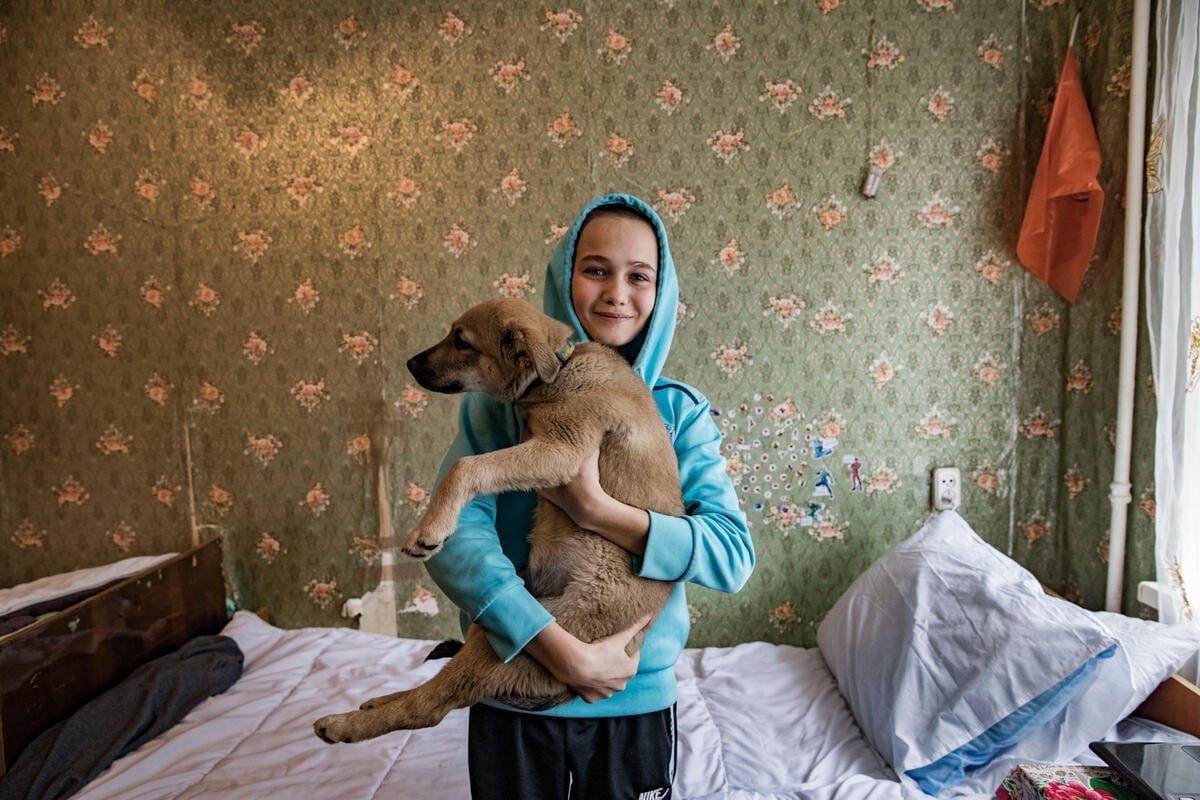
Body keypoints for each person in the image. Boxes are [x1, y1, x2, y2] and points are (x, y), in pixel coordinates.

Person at [422, 193, 755, 799]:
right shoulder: (496, 408)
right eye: (595, 270)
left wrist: (598, 511)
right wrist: (557, 650)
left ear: (663, 294)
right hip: (514, 687)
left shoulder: (678, 413)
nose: (615, 293)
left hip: (631, 697)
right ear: (563, 279)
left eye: (639, 276)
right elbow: (452, 540)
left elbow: (732, 556)